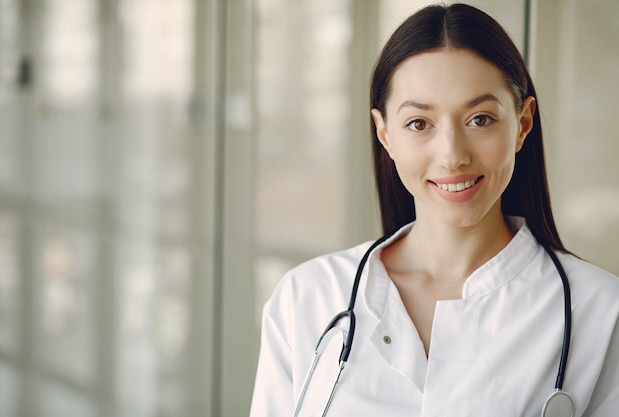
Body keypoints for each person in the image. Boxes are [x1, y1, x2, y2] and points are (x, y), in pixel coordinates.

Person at [250, 3, 619, 416]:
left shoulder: (600, 312)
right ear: (384, 133)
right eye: (419, 124)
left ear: (523, 123)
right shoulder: (307, 299)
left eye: (480, 119)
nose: (452, 156)